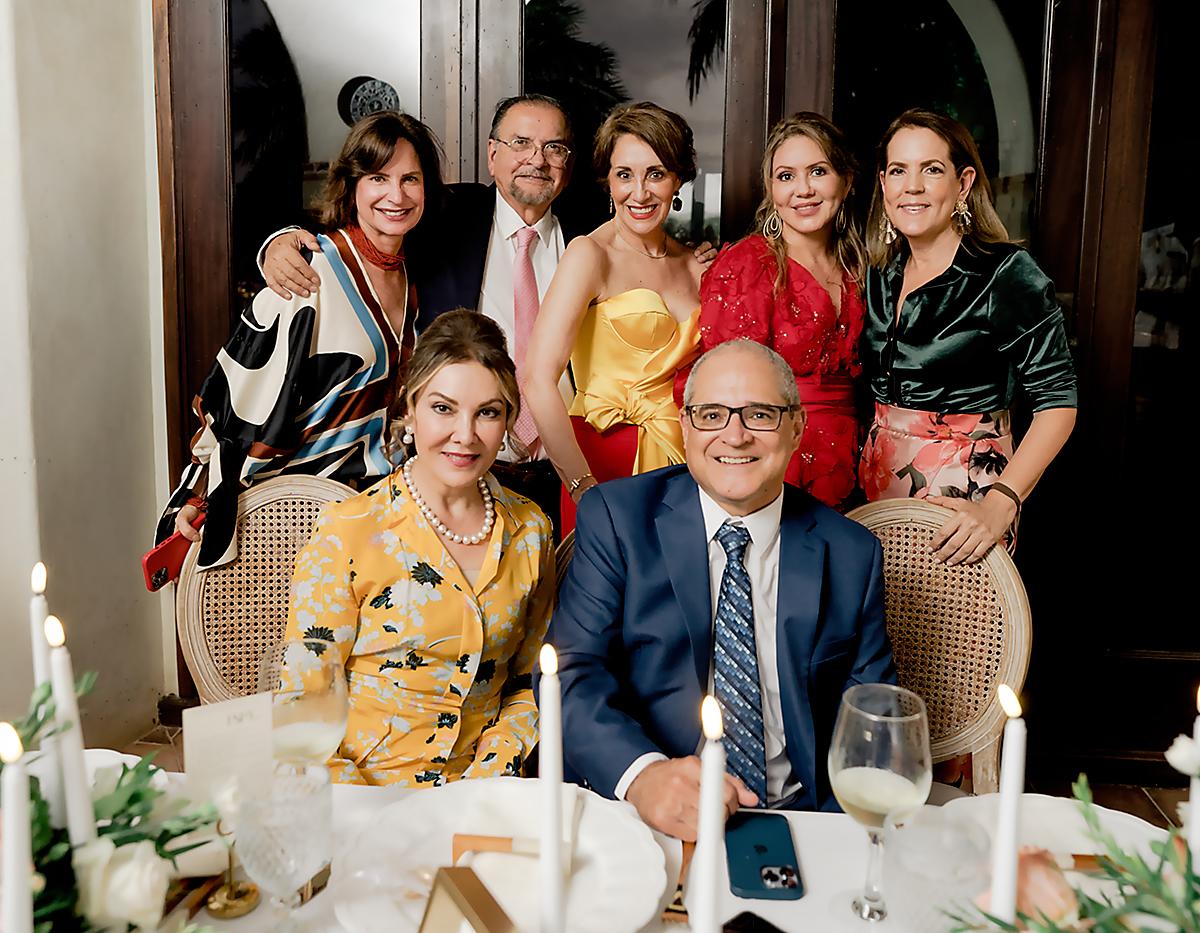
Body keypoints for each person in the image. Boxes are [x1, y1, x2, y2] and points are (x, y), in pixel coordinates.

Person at [259, 95, 716, 533]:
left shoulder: (595, 234)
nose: (537, 159)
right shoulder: (443, 216)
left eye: (553, 147)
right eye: (520, 143)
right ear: (492, 155)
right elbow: (370, 217)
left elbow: (653, 260)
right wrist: (283, 240)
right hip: (464, 467)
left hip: (573, 464)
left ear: (570, 165)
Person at [547, 340, 895, 839]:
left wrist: (841, 839)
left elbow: (873, 716)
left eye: (759, 414)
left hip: (802, 817)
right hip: (648, 814)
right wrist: (642, 777)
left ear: (796, 427)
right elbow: (572, 676)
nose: (734, 436)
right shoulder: (618, 519)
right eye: (711, 414)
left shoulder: (850, 553)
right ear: (685, 426)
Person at [154, 111, 443, 570]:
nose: (396, 194)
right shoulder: (310, 273)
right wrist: (199, 492)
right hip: (289, 521)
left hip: (374, 523)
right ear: (351, 186)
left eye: (411, 178)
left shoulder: (410, 277)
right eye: (377, 178)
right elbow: (238, 396)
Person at [281, 309, 555, 787]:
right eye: (443, 408)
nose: (465, 435)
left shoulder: (531, 530)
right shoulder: (346, 533)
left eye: (488, 412)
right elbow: (304, 708)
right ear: (409, 408)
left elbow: (529, 684)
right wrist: (375, 819)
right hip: (361, 802)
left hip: (483, 797)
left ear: (509, 417)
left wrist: (486, 783)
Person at [858, 109, 1077, 565]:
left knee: (955, 634)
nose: (911, 187)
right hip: (875, 489)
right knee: (878, 631)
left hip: (966, 499)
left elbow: (1058, 404)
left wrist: (1000, 502)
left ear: (963, 183)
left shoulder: (1005, 274)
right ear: (883, 184)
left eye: (931, 169)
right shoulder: (880, 272)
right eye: (898, 171)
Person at [524, 102, 705, 534]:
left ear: (677, 179)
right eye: (624, 174)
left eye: (655, 174)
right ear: (608, 181)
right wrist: (581, 485)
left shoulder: (697, 264)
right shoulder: (590, 254)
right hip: (606, 461)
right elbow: (535, 378)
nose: (638, 193)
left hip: (688, 464)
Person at [683, 112, 867, 511]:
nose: (802, 190)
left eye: (818, 171)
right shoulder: (747, 266)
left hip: (854, 456)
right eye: (786, 177)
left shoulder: (859, 265)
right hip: (775, 458)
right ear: (770, 188)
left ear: (846, 180)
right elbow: (728, 385)